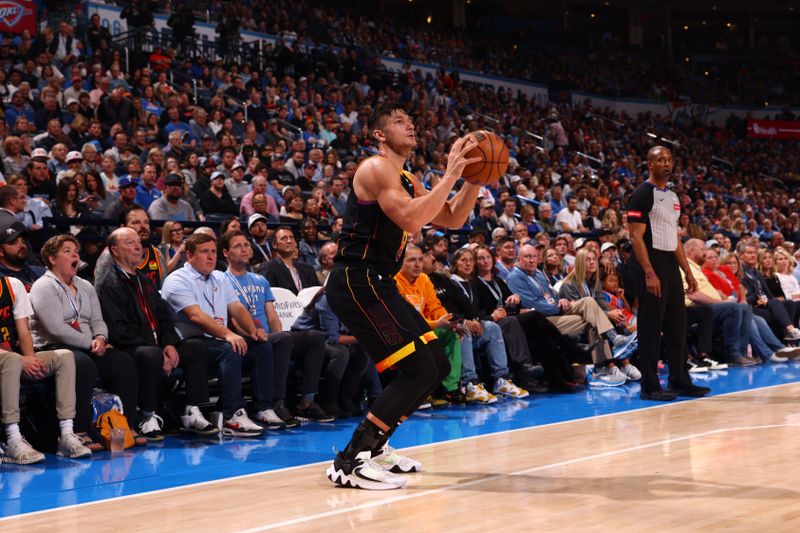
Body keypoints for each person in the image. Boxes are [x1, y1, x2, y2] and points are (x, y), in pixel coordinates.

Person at [325, 103, 482, 490]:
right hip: (356, 280)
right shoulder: (376, 168)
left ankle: (377, 447)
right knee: (419, 370)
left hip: (378, 282)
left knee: (435, 365)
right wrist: (451, 174)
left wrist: (476, 178)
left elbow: (452, 218)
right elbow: (412, 220)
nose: (410, 125)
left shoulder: (407, 178)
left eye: (412, 121)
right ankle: (352, 460)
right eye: (399, 122)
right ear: (379, 134)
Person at [96, 228, 219, 439]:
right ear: (114, 250)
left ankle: (192, 410)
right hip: (129, 349)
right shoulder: (109, 284)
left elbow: (164, 318)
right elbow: (118, 331)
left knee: (197, 347)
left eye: (138, 242)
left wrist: (169, 344)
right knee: (150, 356)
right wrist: (158, 350)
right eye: (129, 243)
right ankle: (146, 415)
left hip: (157, 346)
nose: (138, 247)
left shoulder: (145, 280)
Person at [29, 235, 146, 441]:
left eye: (76, 250)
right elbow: (55, 328)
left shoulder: (85, 285)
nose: (75, 254)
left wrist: (100, 337)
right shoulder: (44, 286)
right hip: (53, 347)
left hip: (89, 345)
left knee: (123, 363)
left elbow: (98, 320)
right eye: (67, 251)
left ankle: (126, 426)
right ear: (52, 259)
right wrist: (90, 343)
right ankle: (78, 430)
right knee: (82, 365)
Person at [161, 232, 270, 437]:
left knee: (261, 346)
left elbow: (236, 307)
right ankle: (232, 415)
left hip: (216, 341)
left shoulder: (219, 276)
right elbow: (195, 316)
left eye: (213, 251)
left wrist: (253, 330)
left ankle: (265, 408)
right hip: (188, 345)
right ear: (190, 256)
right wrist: (229, 334)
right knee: (231, 348)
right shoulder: (176, 280)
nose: (211, 257)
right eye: (204, 252)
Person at [626, 146, 709, 401]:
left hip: (671, 266)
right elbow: (635, 237)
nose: (666, 163)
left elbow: (674, 239)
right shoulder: (641, 194)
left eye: (670, 160)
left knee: (678, 326)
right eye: (661, 159)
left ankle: (679, 380)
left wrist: (688, 272)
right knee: (651, 328)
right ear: (649, 164)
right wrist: (649, 272)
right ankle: (649, 386)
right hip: (650, 263)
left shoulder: (673, 196)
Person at [0, 273, 91, 464]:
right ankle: (12, 439)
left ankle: (66, 434)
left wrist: (30, 359)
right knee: (12, 361)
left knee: (64, 356)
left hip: (14, 356)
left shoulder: (12, 284)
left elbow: (24, 332)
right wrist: (19, 359)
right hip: (8, 359)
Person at [507, 244, 627, 387]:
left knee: (589, 304)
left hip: (557, 311)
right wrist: (556, 307)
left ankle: (608, 356)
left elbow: (552, 295)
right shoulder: (515, 277)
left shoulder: (538, 273)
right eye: (527, 257)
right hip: (542, 321)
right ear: (518, 259)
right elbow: (531, 304)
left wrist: (561, 300)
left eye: (534, 256)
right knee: (592, 319)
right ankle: (601, 368)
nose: (532, 260)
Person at [220, 230, 298, 429]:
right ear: (226, 253)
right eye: (238, 246)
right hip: (244, 337)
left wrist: (277, 334)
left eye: (246, 245)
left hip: (265, 336)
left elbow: (272, 315)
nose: (245, 249)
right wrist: (252, 333)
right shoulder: (222, 280)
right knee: (269, 344)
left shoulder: (260, 280)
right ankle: (273, 404)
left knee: (305, 337)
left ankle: (300, 401)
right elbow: (232, 317)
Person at [394, 244, 466, 405]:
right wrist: (436, 324)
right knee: (423, 339)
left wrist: (448, 321)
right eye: (412, 260)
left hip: (425, 329)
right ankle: (421, 392)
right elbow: (406, 320)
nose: (418, 264)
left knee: (453, 333)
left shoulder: (424, 279)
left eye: (420, 260)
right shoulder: (394, 282)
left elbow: (434, 306)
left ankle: (450, 389)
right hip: (403, 333)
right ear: (400, 262)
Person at [95, 206, 167, 288]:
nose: (143, 226)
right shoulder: (110, 255)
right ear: (123, 228)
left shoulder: (157, 254)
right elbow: (99, 292)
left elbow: (163, 290)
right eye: (136, 222)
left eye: (146, 222)